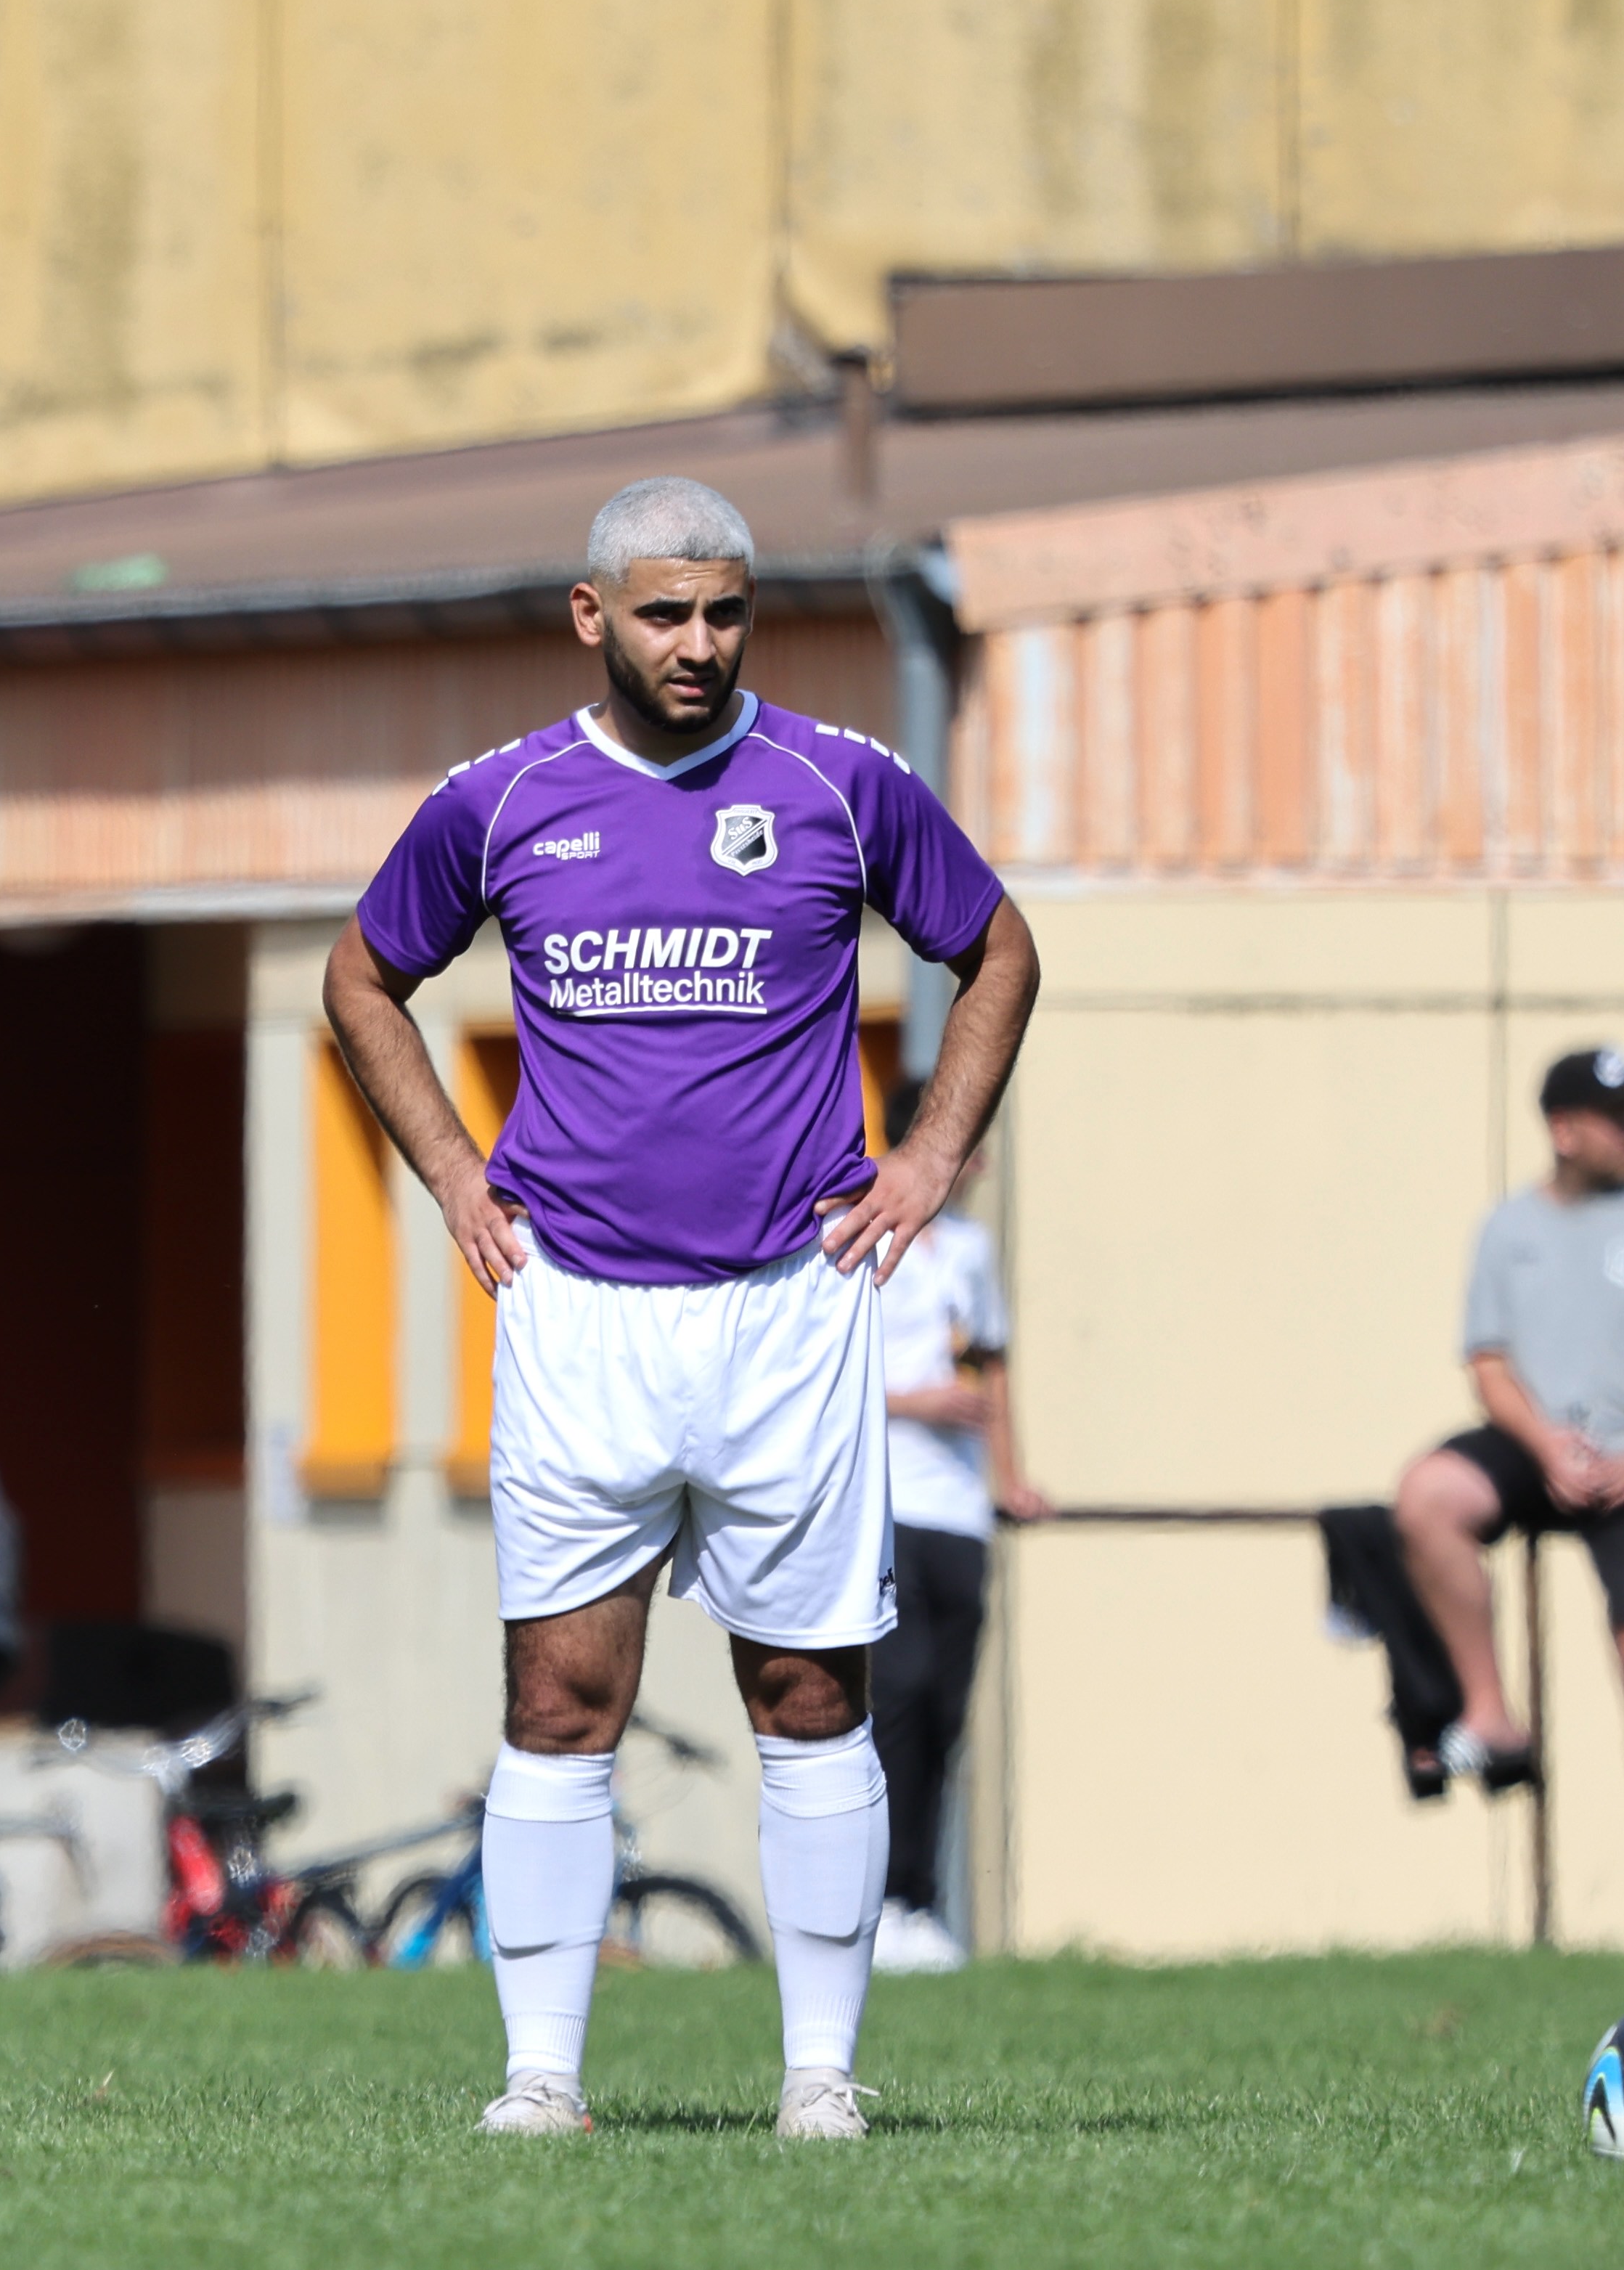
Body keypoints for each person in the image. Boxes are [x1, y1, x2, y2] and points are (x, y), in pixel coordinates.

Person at [325, 476, 1037, 2139]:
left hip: (791, 1303)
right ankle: (540, 2081)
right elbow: (362, 979)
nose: (698, 642)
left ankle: (819, 2078)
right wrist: (452, 1171)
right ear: (593, 616)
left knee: (810, 1696)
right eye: (663, 612)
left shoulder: (842, 785)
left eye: (724, 612)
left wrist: (931, 1154)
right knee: (559, 1699)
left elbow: (996, 952)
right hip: (575, 1308)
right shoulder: (499, 802)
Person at [1390, 1048, 1624, 1961]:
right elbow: (1488, 1364)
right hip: (1552, 1451)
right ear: (1562, 1129)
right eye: (1610, 1118)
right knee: (1428, 1493)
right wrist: (1549, 1447)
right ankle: (1489, 1711)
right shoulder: (1508, 1228)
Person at [868, 1079, 1048, 1975]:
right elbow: (831, 1373)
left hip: (957, 1508)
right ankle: (879, 1899)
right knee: (894, 1693)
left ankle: (922, 1901)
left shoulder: (971, 1250)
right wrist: (916, 1402)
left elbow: (991, 1364)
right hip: (888, 1497)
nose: (978, 1161)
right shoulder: (864, 1234)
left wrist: (1008, 1478)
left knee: (944, 1706)